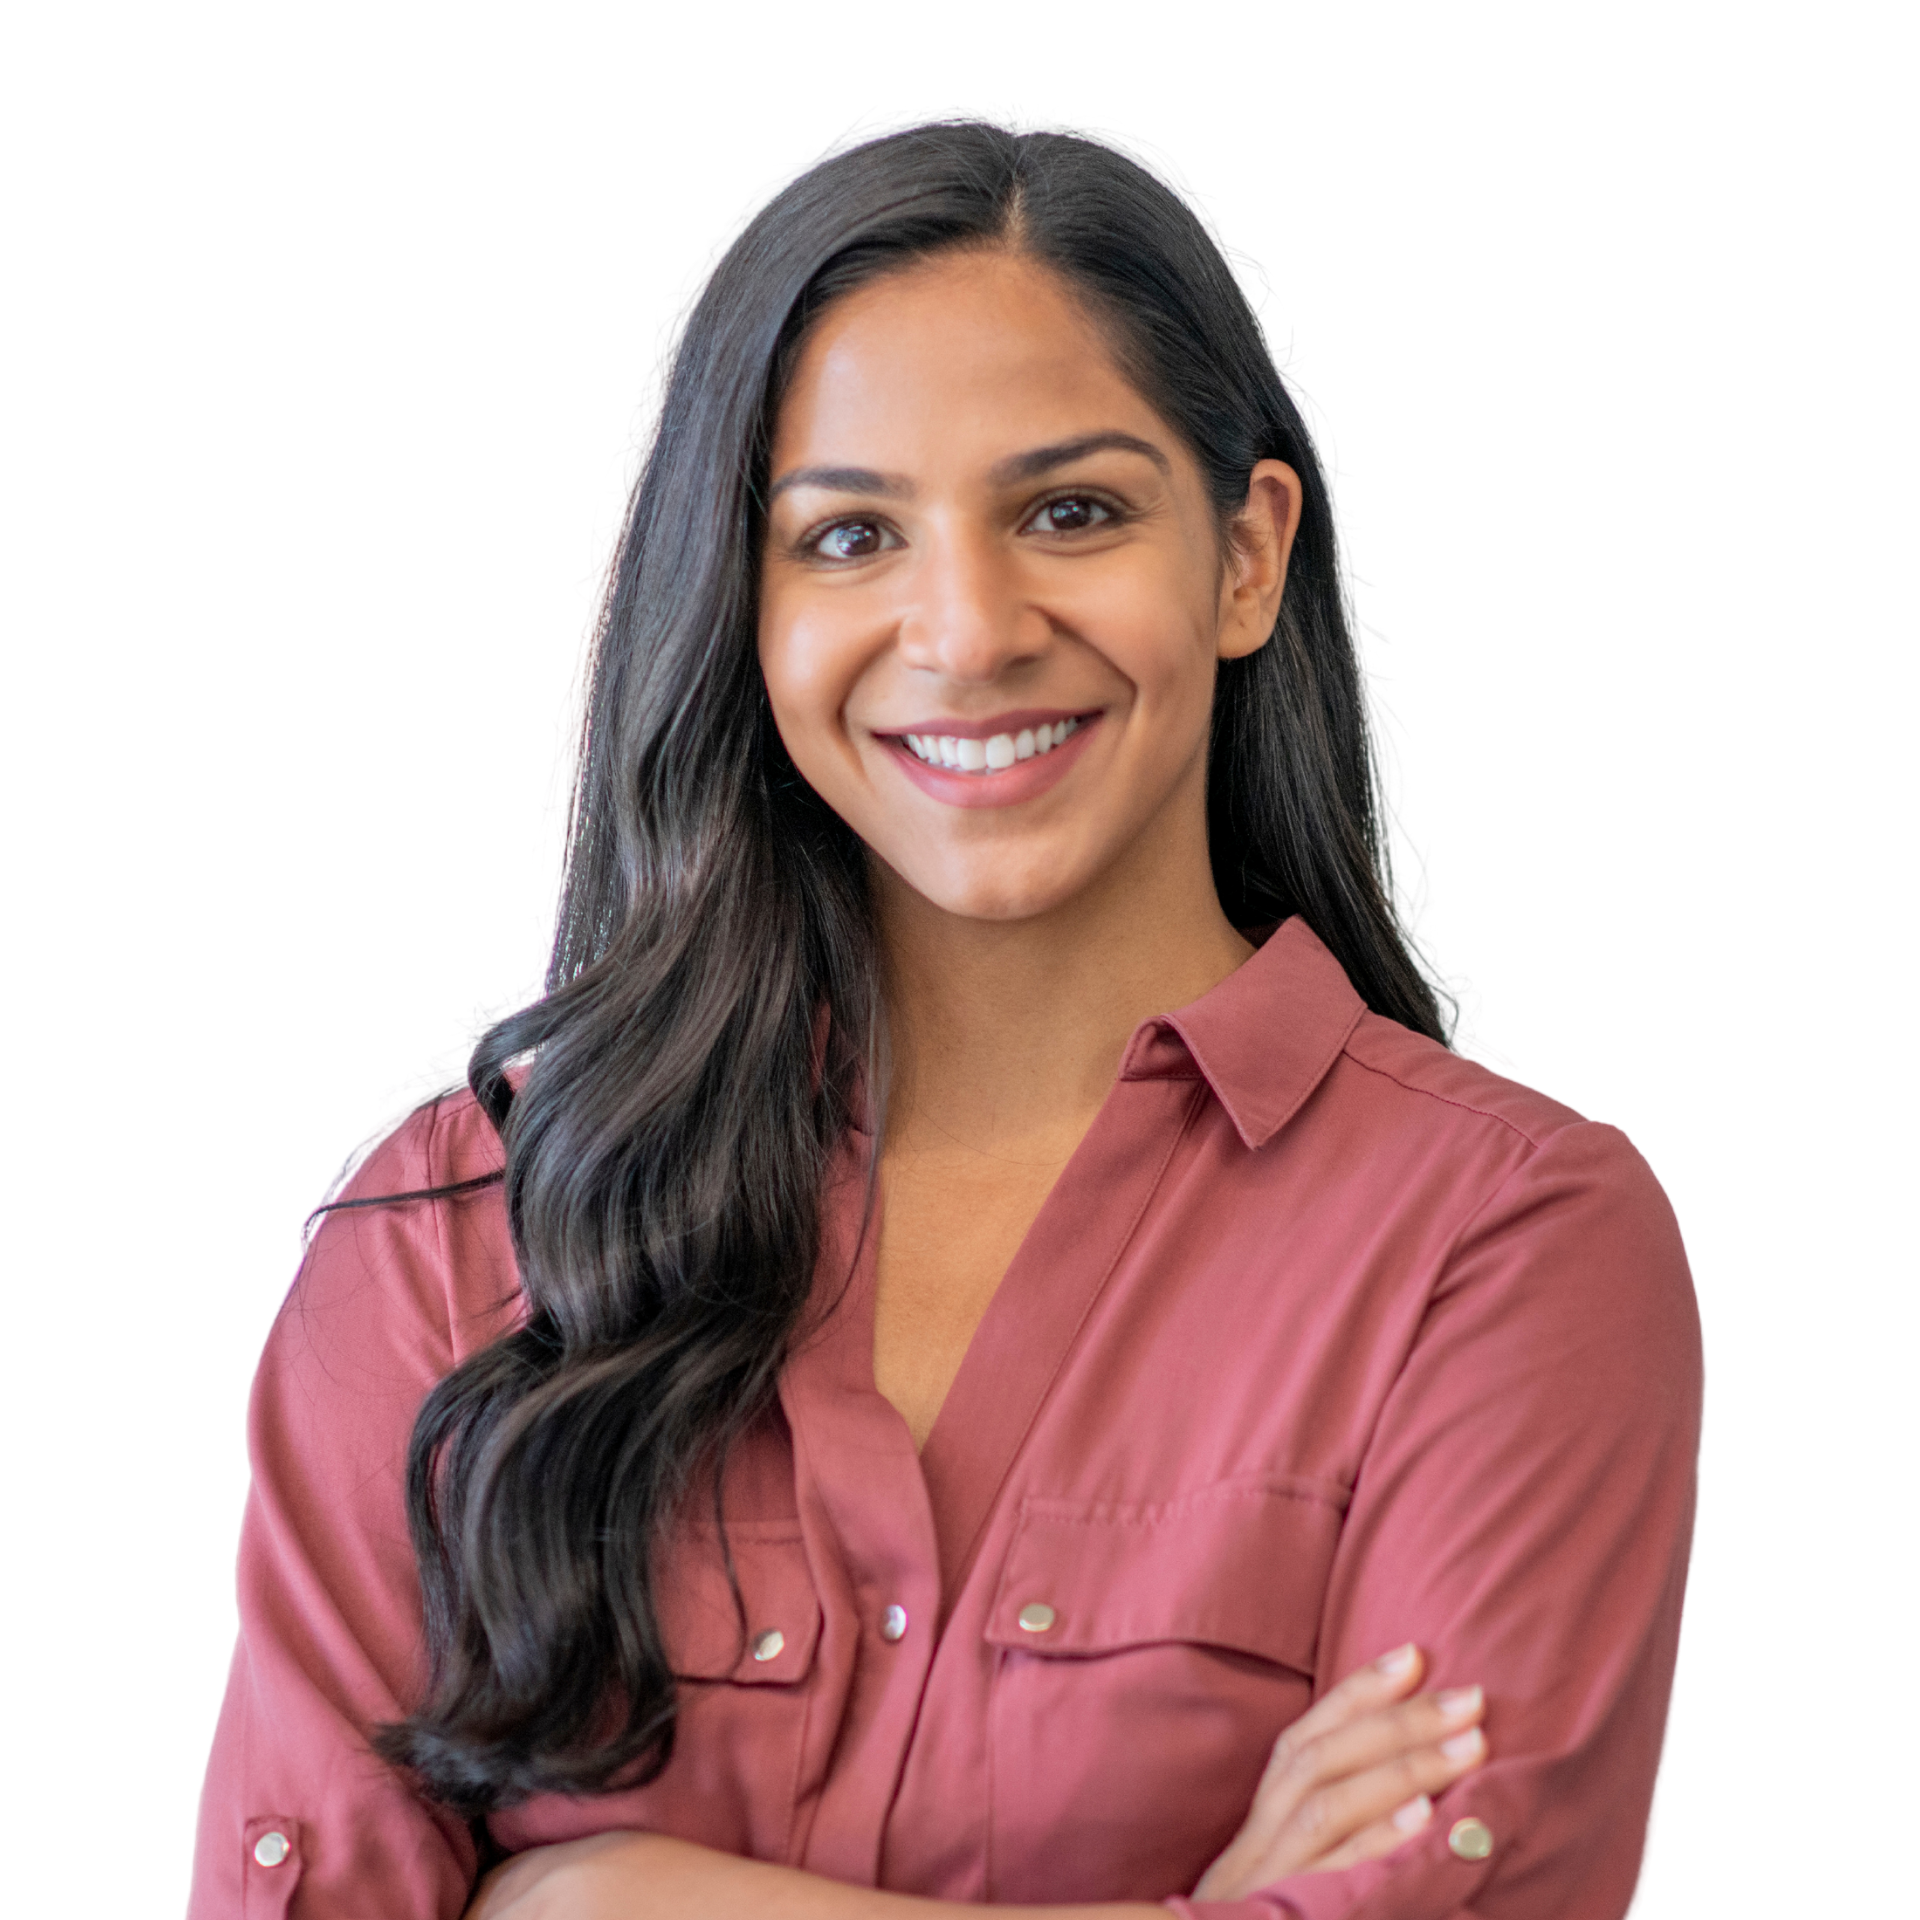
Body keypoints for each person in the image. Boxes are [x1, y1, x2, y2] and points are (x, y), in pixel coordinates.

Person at [187, 108, 1704, 1920]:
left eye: (1070, 511)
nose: (967, 629)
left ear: (1243, 556)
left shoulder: (1511, 1244)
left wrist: (594, 1904)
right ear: (740, 602)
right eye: (847, 538)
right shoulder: (448, 1232)